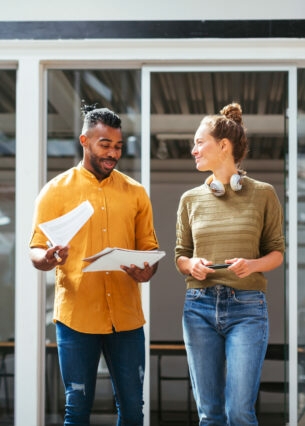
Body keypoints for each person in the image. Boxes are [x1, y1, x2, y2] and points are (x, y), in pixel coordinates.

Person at [29, 104, 160, 426]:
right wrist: (46, 258)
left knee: (132, 409)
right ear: (84, 140)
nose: (113, 153)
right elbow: (36, 248)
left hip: (127, 320)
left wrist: (147, 269)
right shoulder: (55, 191)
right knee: (77, 409)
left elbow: (149, 249)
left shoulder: (136, 193)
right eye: (105, 145)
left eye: (118, 146)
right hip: (76, 318)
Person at [175, 103, 285, 426]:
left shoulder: (263, 195)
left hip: (247, 309)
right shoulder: (189, 200)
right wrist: (190, 265)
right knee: (210, 414)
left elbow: (277, 252)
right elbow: (180, 254)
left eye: (199, 142)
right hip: (199, 307)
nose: (193, 149)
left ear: (224, 146)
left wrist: (251, 266)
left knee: (239, 412)